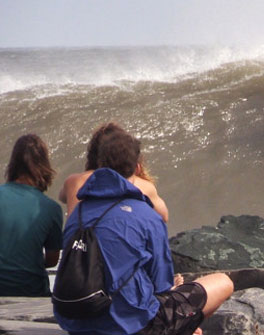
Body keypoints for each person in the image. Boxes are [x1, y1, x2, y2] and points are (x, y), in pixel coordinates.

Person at [54, 130, 233, 335]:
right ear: (138, 167)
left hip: (74, 324)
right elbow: (161, 287)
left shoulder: (77, 213)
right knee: (222, 282)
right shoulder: (146, 215)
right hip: (130, 327)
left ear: (99, 167)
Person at [59, 122, 169, 223]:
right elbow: (164, 217)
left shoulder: (74, 181)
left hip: (78, 241)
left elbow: (62, 197)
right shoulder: (144, 186)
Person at [0, 134, 63, 296]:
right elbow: (52, 260)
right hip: (31, 292)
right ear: (44, 166)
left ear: (12, 164)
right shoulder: (51, 208)